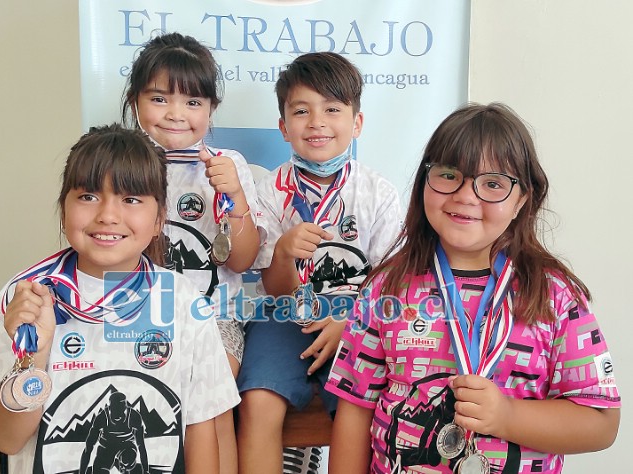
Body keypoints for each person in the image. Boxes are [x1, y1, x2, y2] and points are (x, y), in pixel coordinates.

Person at [326, 103, 621, 473]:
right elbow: (355, 407)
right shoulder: (386, 289)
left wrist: (507, 416)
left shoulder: (555, 297)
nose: (466, 195)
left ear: (522, 200)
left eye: (492, 184)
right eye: (449, 175)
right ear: (424, 182)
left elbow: (601, 423)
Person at [0, 124, 239, 473]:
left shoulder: (183, 301)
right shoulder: (26, 297)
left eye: (131, 199)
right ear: (63, 209)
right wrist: (35, 358)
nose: (108, 215)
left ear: (159, 219)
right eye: (88, 196)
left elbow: (201, 428)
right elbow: (5, 440)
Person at [236, 52, 403, 473]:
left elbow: (390, 280)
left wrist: (350, 320)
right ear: (283, 127)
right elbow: (275, 291)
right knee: (258, 401)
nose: (317, 122)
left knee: (354, 404)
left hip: (358, 319)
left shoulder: (376, 193)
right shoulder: (269, 192)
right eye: (301, 111)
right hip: (283, 315)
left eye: (332, 109)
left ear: (357, 123)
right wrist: (284, 253)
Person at [121, 32, 263, 474]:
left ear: (211, 110)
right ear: (135, 101)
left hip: (214, 316)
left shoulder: (227, 164)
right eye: (160, 98)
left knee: (212, 388)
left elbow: (241, 260)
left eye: (193, 102)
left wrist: (235, 195)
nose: (177, 114)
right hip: (136, 312)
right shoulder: (121, 162)